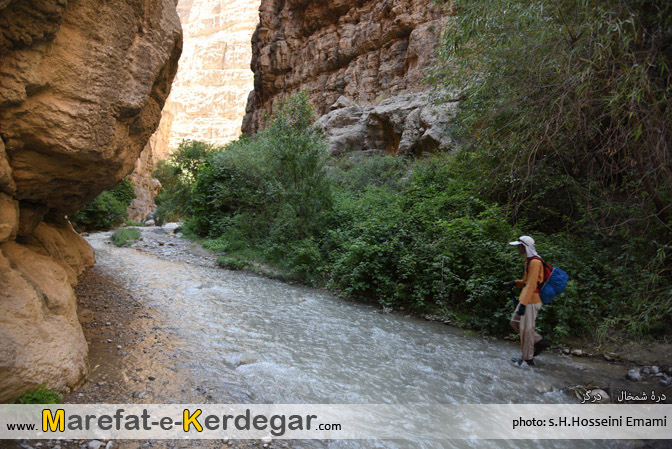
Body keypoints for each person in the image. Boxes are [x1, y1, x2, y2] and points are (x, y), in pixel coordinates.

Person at [508, 236, 550, 367]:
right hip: (527, 299)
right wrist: (516, 283)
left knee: (526, 329)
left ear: (524, 247)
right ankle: (539, 341)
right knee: (515, 322)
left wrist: (523, 304)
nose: (517, 248)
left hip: (531, 300)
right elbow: (528, 282)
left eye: (518, 246)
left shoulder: (535, 263)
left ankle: (527, 360)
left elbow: (532, 285)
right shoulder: (529, 261)